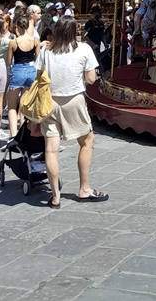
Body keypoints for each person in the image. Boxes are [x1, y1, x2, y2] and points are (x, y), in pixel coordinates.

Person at [35, 16, 107, 207]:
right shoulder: (83, 49)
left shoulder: (46, 50)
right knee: (86, 141)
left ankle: (55, 196)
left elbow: (38, 76)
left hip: (49, 101)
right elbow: (91, 79)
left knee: (51, 149)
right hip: (73, 99)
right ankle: (84, 188)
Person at [6, 14, 40, 138]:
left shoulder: (13, 42)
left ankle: (13, 135)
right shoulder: (35, 40)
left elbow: (8, 62)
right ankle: (22, 135)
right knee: (24, 105)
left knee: (11, 106)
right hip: (31, 71)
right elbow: (38, 59)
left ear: (17, 26)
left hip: (18, 70)